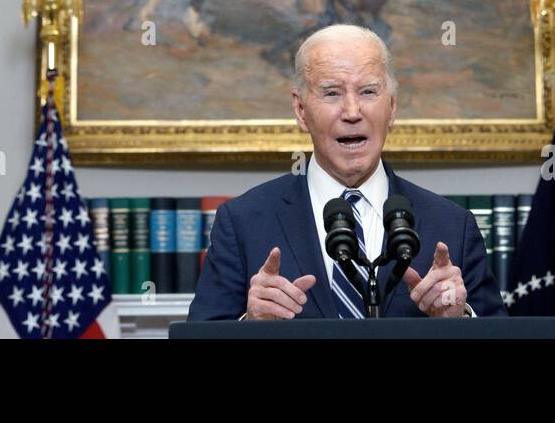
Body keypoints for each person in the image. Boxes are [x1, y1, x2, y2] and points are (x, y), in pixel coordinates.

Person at [188, 25, 503, 320]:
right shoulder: (242, 222)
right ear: (301, 110)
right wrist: (251, 325)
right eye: (332, 93)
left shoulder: (452, 226)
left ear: (391, 107)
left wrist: (460, 320)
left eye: (368, 92)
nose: (352, 112)